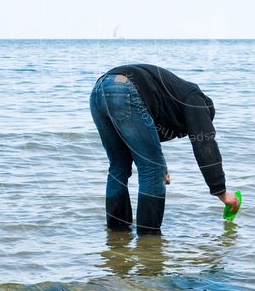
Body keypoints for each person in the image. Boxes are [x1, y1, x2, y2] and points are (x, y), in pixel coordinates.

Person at [89, 63, 239, 234]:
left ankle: (117, 234)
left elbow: (146, 138)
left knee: (119, 166)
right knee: (152, 171)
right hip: (124, 89)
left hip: (98, 91)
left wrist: (162, 166)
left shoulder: (172, 101)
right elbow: (205, 144)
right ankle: (148, 240)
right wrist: (221, 192)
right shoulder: (196, 100)